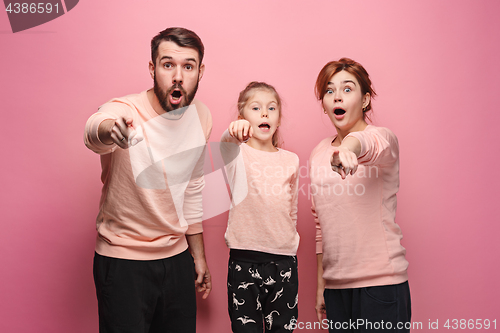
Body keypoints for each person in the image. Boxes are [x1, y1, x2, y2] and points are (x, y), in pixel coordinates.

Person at [84, 27, 212, 333]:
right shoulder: (125, 110)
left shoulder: (202, 117)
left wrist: (198, 256)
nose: (178, 76)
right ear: (153, 68)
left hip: (177, 259)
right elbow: (94, 130)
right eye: (168, 65)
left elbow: (192, 189)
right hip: (123, 260)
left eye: (188, 66)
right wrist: (109, 129)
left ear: (200, 71)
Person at [310, 58, 411, 332]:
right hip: (336, 290)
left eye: (347, 89)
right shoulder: (318, 154)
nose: (337, 96)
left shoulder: (383, 138)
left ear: (365, 99)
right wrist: (322, 286)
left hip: (380, 286)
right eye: (329, 91)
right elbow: (322, 226)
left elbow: (369, 144)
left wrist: (349, 148)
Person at [220, 82, 300, 333]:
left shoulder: (291, 160)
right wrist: (233, 132)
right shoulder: (237, 154)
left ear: (278, 118)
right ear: (243, 116)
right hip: (244, 260)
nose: (264, 113)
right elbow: (225, 144)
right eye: (256, 108)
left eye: (271, 108)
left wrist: (287, 242)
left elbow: (292, 209)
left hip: (284, 262)